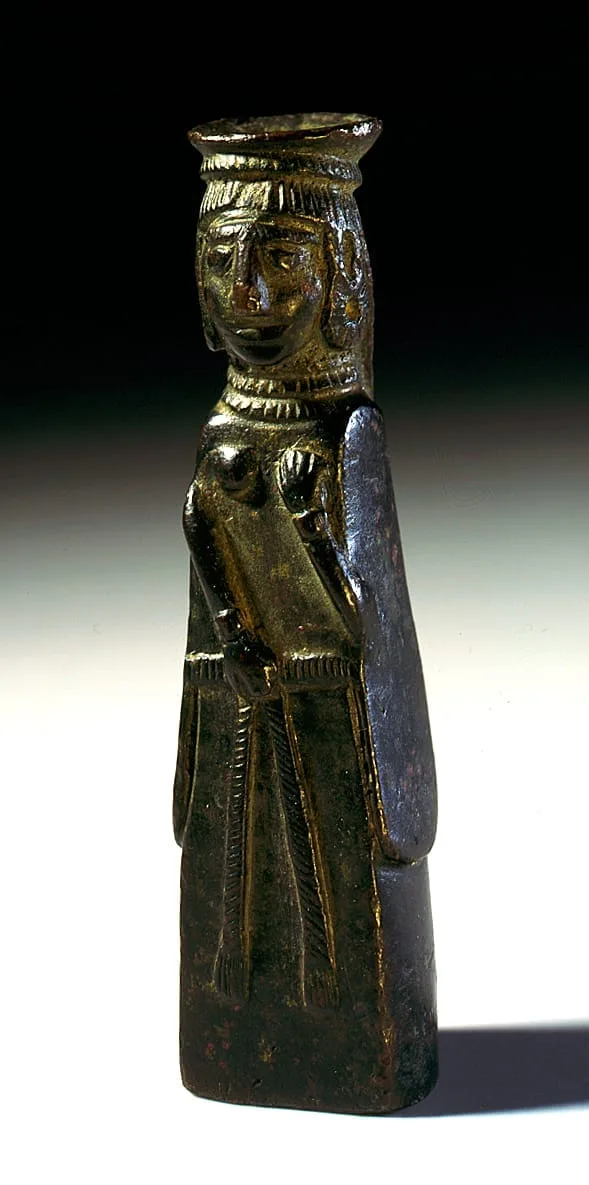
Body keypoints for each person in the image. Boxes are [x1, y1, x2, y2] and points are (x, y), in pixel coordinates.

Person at [173, 114, 437, 1113]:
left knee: (332, 894)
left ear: (342, 278)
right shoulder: (225, 432)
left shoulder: (343, 433)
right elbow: (208, 592)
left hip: (333, 726)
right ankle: (242, 1046)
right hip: (243, 712)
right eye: (221, 258)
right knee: (235, 895)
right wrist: (235, 648)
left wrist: (309, 535)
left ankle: (349, 1051)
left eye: (282, 259)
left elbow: (371, 629)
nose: (247, 295)